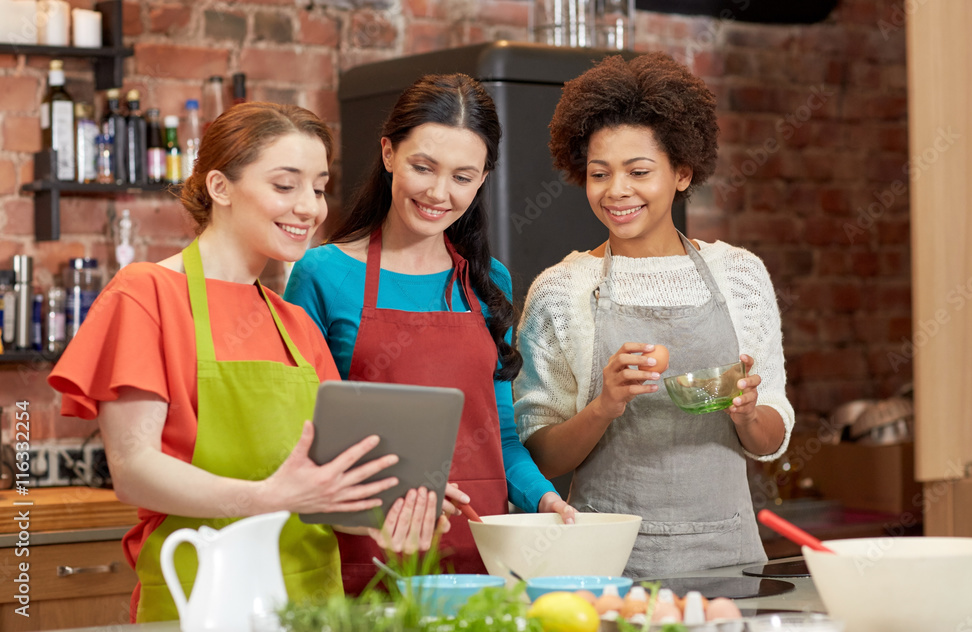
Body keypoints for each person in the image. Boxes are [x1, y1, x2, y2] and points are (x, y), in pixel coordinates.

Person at [48, 102, 450, 623]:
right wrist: (265, 497)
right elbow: (134, 471)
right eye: (286, 186)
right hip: (203, 600)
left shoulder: (296, 324)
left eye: (319, 187)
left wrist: (387, 506)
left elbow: (320, 492)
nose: (310, 207)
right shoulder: (146, 295)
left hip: (313, 606)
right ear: (220, 188)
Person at [284, 73, 576, 594]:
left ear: (484, 178)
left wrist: (543, 497)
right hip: (368, 553)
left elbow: (501, 436)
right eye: (423, 167)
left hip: (481, 554)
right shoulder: (321, 274)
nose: (440, 193)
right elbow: (298, 435)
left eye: (463, 176)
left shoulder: (489, 282)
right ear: (388, 152)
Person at [513, 53, 795, 578]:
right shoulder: (560, 290)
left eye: (638, 171)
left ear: (682, 172)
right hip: (606, 563)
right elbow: (539, 457)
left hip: (730, 557)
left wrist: (747, 414)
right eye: (600, 174)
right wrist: (604, 405)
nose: (616, 191)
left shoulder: (740, 275)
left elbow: (772, 439)